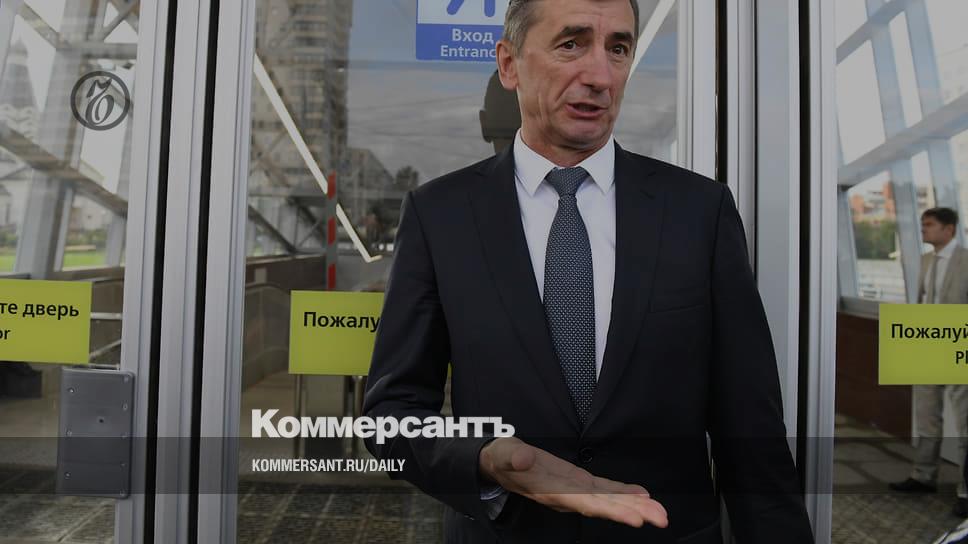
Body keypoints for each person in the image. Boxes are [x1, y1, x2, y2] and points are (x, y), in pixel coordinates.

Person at [362, 0, 813, 541]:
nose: (600, 75)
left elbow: (751, 426)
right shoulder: (440, 215)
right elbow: (391, 415)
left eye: (618, 49)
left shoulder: (700, 211)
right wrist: (482, 458)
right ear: (509, 64)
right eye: (571, 43)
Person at [891, 207, 968, 517]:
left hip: (959, 343)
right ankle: (923, 476)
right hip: (927, 342)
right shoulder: (925, 260)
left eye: (930, 224)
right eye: (922, 224)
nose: (923, 229)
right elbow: (923, 301)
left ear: (949, 229)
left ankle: (966, 491)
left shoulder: (966, 260)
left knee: (965, 421)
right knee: (926, 416)